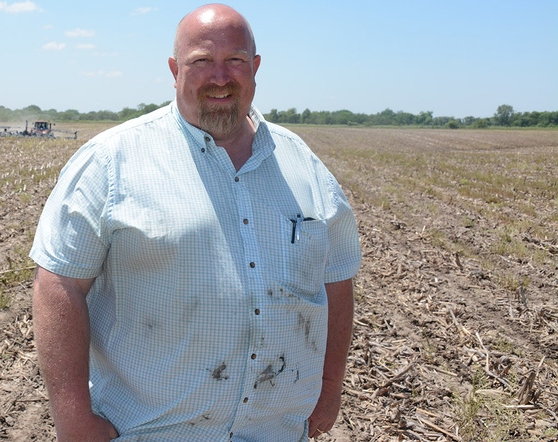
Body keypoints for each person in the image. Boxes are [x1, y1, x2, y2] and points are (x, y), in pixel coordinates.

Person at [30, 3, 361, 441]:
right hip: (149, 432)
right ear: (174, 69)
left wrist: (329, 390)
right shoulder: (112, 161)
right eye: (202, 61)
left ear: (256, 67)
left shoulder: (306, 167)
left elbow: (336, 283)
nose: (220, 77)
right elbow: (59, 284)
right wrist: (74, 421)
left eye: (235, 61)